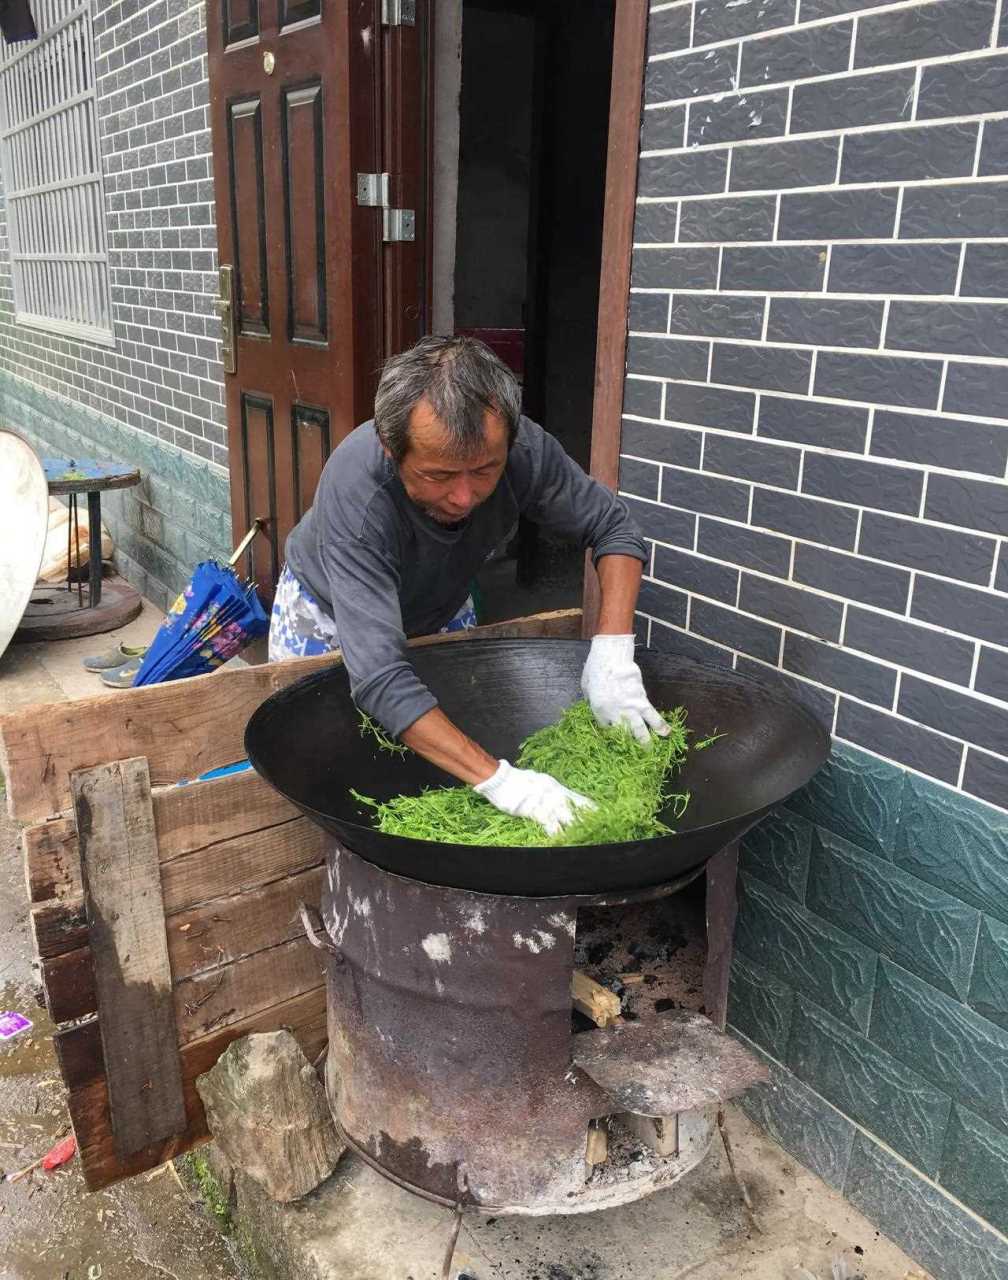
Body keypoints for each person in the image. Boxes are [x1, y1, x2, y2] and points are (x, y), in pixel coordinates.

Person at [269, 335, 668, 835]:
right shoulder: (359, 493)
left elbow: (614, 528)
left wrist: (612, 652)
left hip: (442, 598)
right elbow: (380, 677)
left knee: (447, 748)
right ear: (392, 450)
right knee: (327, 762)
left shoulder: (522, 451)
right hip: (326, 610)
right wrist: (508, 784)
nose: (464, 497)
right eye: (439, 475)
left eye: (484, 471)